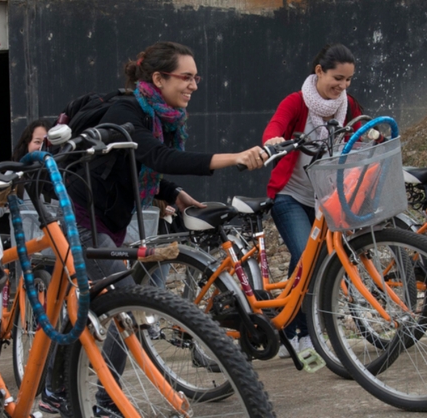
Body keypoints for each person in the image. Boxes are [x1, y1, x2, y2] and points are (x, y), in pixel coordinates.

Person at [64, 40, 268, 417]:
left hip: (107, 218)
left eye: (196, 77)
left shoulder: (161, 116)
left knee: (109, 308)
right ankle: (97, 403)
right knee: (130, 306)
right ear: (158, 78)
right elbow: (155, 156)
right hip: (78, 213)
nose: (193, 85)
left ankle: (67, 393)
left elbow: (136, 168)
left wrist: (172, 193)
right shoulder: (127, 110)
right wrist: (235, 158)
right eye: (185, 77)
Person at [261, 43, 366, 358]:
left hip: (328, 198)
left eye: (348, 80)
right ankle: (301, 334)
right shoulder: (296, 102)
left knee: (311, 262)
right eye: (337, 78)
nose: (343, 86)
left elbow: (361, 134)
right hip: (291, 196)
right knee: (306, 258)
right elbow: (275, 126)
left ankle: (289, 327)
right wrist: (274, 141)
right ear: (319, 71)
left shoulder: (347, 106)